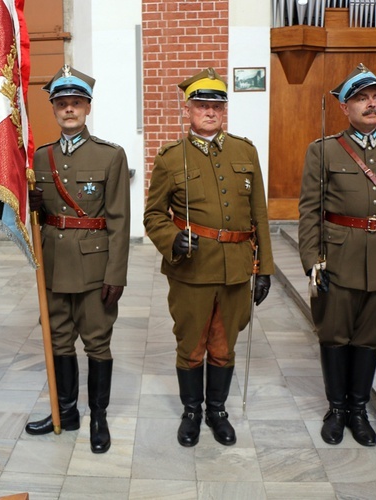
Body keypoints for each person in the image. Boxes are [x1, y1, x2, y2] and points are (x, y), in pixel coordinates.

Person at [144, 68, 274, 448]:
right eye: (202, 104)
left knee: (223, 344)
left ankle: (217, 411)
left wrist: (264, 268)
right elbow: (153, 215)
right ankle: (192, 412)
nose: (210, 111)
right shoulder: (171, 157)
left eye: (216, 104)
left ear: (224, 109)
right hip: (191, 269)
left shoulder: (245, 151)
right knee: (192, 344)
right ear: (188, 109)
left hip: (236, 268)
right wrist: (172, 239)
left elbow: (260, 215)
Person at [298, 63, 376, 447]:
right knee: (335, 335)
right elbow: (309, 211)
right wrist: (312, 261)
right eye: (361, 99)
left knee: (370, 336)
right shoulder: (323, 150)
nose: (371, 105)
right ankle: (336, 409)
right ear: (344, 107)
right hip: (339, 257)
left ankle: (358, 410)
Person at [25, 65, 130, 454]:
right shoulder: (39, 157)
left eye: (76, 103)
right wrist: (32, 207)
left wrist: (115, 273)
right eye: (62, 104)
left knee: (97, 343)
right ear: (54, 109)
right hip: (53, 265)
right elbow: (36, 220)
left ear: (88, 107)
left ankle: (97, 416)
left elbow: (119, 219)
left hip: (94, 265)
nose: (69, 110)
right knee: (58, 341)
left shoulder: (110, 155)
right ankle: (66, 411)